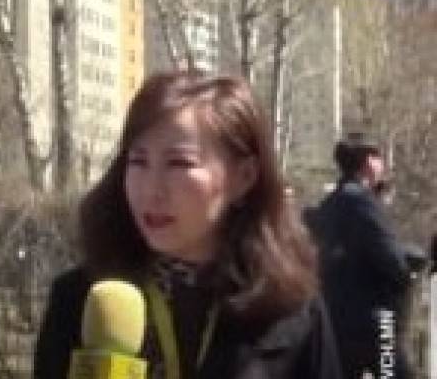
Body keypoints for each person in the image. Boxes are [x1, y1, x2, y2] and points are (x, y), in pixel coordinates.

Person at [34, 71, 342, 379]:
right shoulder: (81, 300)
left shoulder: (288, 312)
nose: (151, 190)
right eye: (138, 161)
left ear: (244, 177)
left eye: (179, 163)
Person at [307, 132, 413, 379]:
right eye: (379, 158)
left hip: (335, 320)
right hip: (376, 323)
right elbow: (393, 261)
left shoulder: (329, 205)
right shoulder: (363, 203)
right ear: (368, 162)